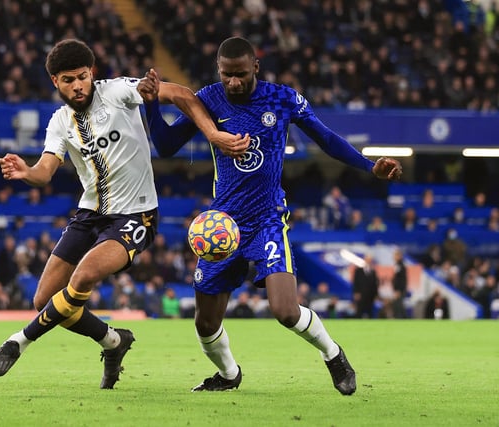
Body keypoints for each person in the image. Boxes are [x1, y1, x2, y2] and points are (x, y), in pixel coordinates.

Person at [137, 36, 402, 395]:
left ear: (255, 68)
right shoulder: (209, 99)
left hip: (266, 220)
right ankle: (229, 375)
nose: (233, 82)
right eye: (227, 74)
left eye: (241, 75)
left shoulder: (283, 98)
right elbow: (167, 147)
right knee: (205, 322)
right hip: (224, 226)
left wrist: (370, 167)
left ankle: (333, 354)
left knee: (285, 310)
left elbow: (326, 139)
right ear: (219, 70)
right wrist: (151, 106)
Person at [0, 38, 246, 389]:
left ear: (92, 74)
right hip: (89, 215)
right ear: (55, 82)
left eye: (82, 76)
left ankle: (20, 341)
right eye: (67, 80)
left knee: (84, 275)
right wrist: (25, 171)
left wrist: (213, 134)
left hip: (137, 215)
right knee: (44, 299)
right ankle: (113, 341)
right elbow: (45, 171)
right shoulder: (60, 122)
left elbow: (182, 93)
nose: (77, 85)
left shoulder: (119, 91)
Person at [353, 254, 380, 318]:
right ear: (365, 260)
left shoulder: (373, 271)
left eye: (370, 260)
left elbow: (375, 284)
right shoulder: (358, 271)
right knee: (359, 311)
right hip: (361, 294)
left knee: (370, 312)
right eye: (367, 260)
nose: (368, 261)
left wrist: (376, 294)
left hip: (370, 295)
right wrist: (356, 292)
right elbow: (356, 282)